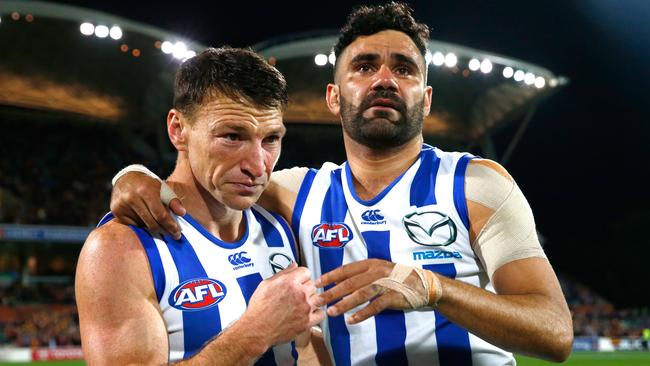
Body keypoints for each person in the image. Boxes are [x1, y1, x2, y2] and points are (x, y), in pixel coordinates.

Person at [108, 2, 573, 365]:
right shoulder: (292, 193)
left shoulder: (477, 185)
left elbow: (554, 332)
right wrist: (133, 176)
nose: (385, 79)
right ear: (333, 97)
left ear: (426, 99)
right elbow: (202, 175)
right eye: (365, 66)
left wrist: (433, 287)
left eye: (405, 69)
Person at [75, 47, 326, 365]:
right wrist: (254, 333)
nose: (258, 165)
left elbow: (306, 348)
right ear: (178, 130)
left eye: (271, 139)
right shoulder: (120, 249)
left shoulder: (283, 223)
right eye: (233, 136)